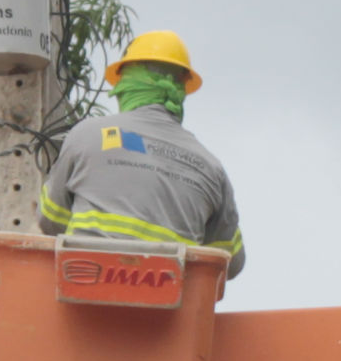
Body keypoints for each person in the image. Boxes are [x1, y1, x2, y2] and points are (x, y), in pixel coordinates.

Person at [37, 30, 245, 278]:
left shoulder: (87, 135)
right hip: (170, 311)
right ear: (181, 90)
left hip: (85, 289)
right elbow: (230, 263)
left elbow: (50, 219)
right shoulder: (211, 167)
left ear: (126, 84)